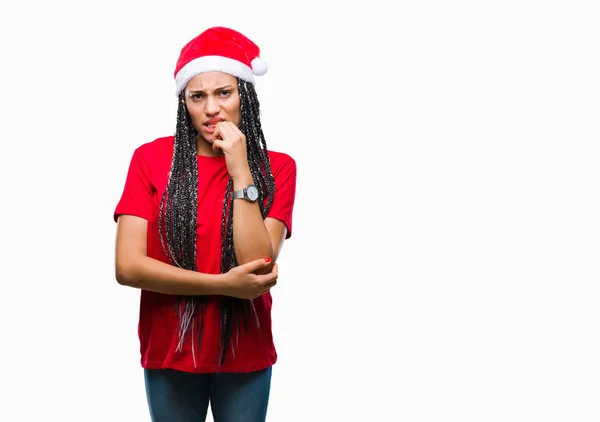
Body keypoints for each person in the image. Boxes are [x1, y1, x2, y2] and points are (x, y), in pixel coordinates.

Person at [112, 26, 297, 422]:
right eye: (198, 96)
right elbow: (127, 268)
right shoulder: (149, 159)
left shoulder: (277, 167)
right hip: (170, 350)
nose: (211, 108)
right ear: (185, 103)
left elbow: (259, 264)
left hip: (245, 351)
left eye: (223, 93)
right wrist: (224, 286)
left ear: (244, 95)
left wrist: (240, 167)